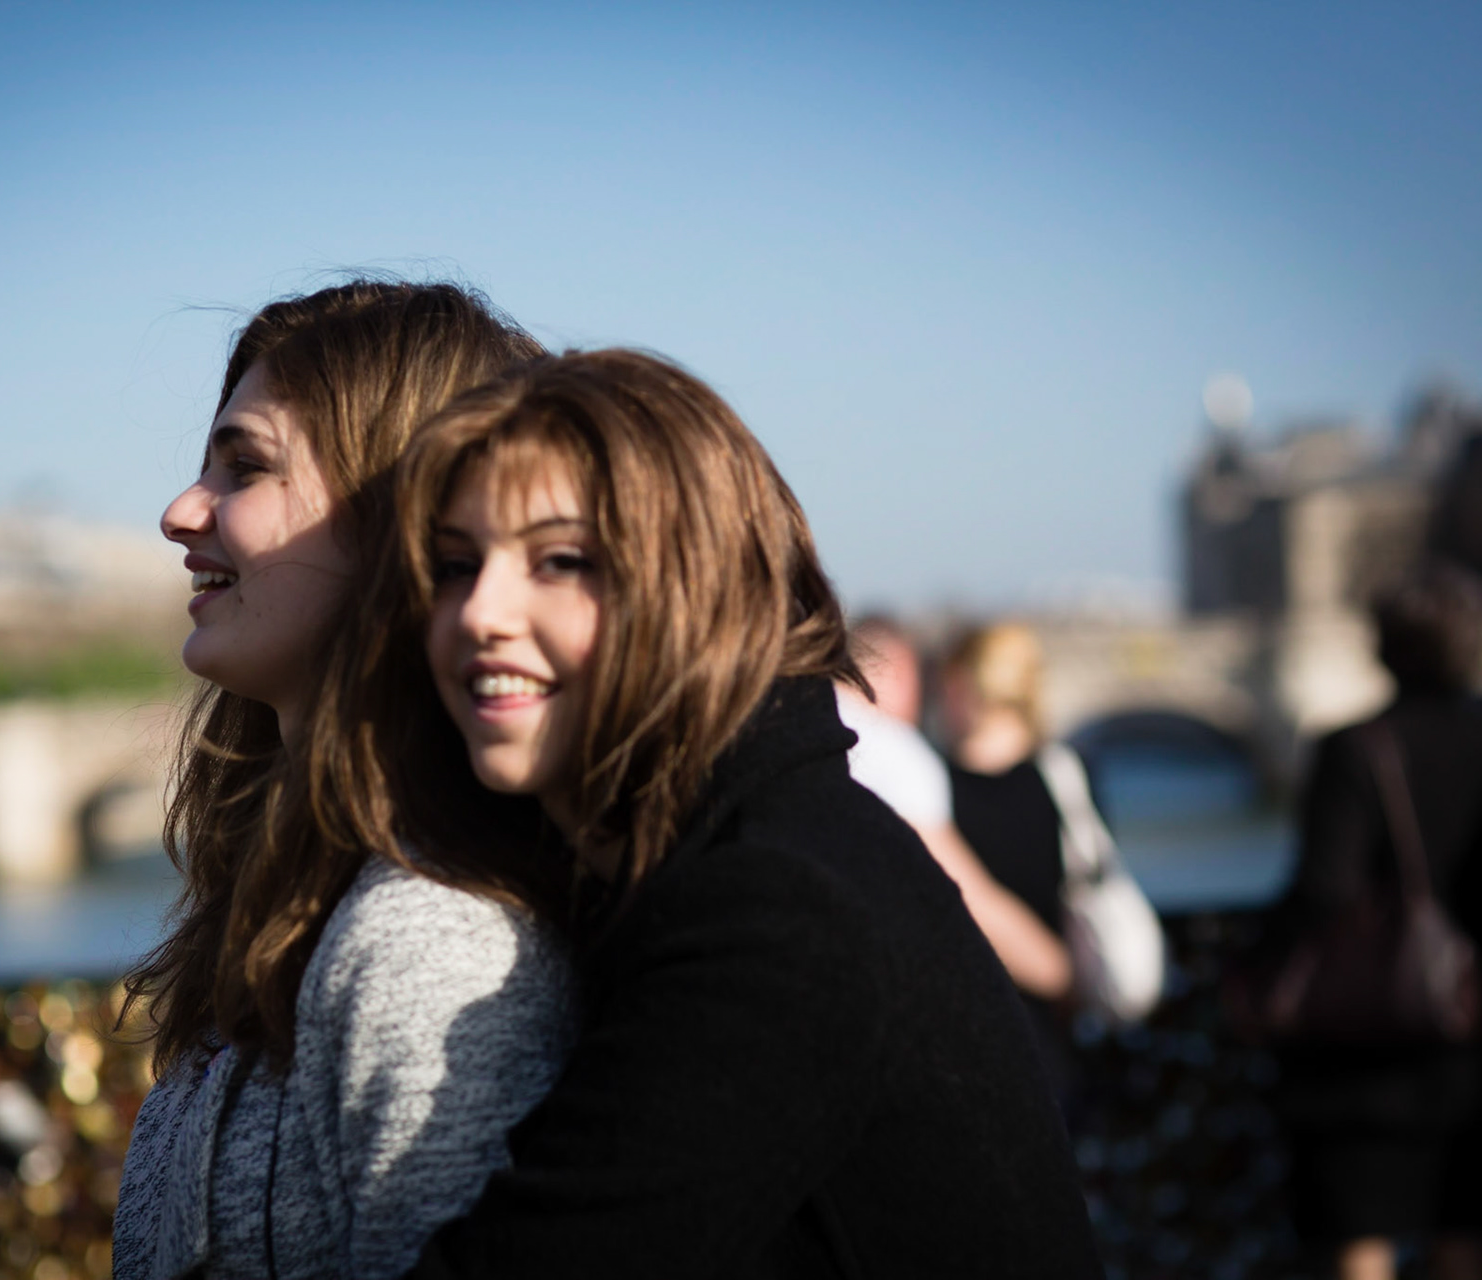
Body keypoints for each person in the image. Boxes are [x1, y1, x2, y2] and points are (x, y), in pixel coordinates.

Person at [341, 349, 1100, 1278]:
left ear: (696, 589)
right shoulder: (764, 844)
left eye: (564, 560)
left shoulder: (776, 907)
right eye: (456, 566)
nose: (479, 611)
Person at [112, 281, 577, 1280]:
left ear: (397, 521)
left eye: (246, 466)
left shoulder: (429, 940)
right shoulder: (295, 900)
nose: (181, 509)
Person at [1269, 563, 1482, 1280]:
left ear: (1381, 648)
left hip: (1369, 1033)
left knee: (1360, 1230)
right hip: (1477, 1023)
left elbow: (1325, 887)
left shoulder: (1356, 748)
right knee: (1465, 1219)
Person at [837, 616, 1072, 999]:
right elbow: (966, 900)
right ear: (897, 673)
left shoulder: (809, 734)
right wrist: (1062, 977)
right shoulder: (897, 754)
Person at [939, 622, 1092, 1100]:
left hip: (963, 1027)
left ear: (962, 687)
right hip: (1050, 1026)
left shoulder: (934, 792)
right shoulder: (1064, 779)